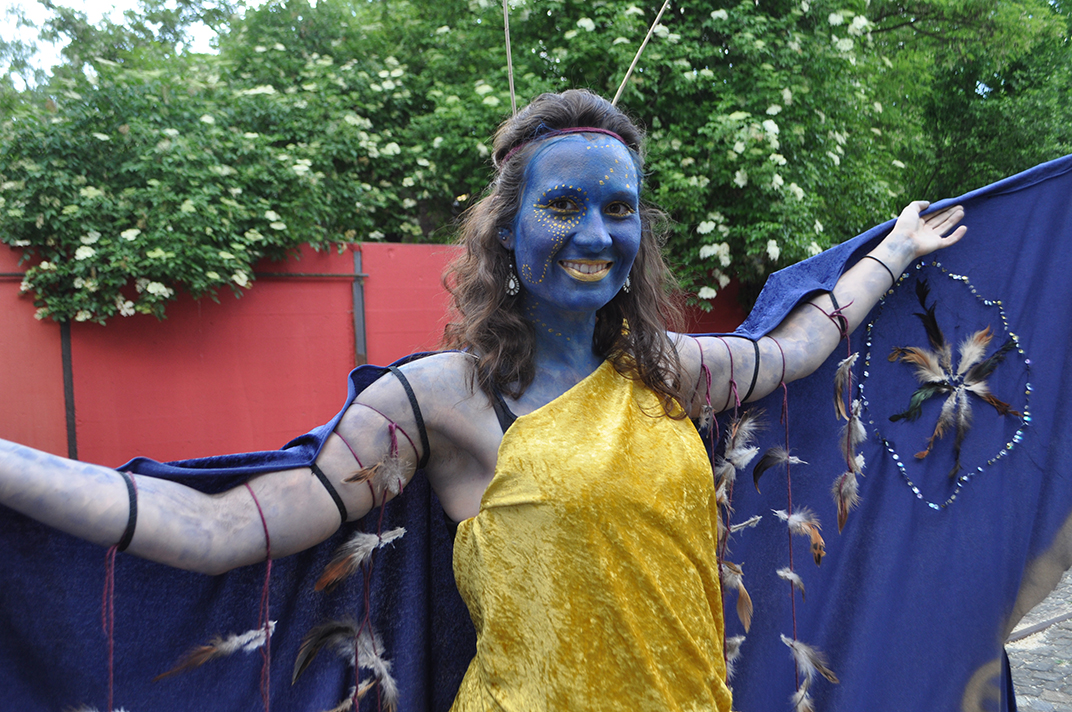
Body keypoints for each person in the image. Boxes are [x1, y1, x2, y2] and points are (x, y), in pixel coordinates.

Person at [0, 89, 965, 711]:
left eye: (620, 209)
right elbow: (223, 530)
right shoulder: (441, 399)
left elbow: (800, 345)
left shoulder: (668, 368)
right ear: (507, 229)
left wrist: (895, 250)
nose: (596, 234)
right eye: (563, 205)